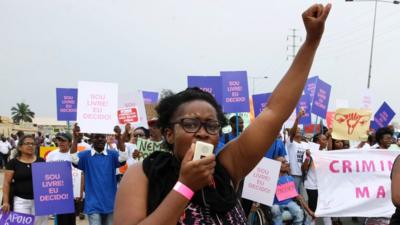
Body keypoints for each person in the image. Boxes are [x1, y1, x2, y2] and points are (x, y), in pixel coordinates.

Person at [113, 4, 331, 224]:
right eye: (190, 124)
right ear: (169, 133)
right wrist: (186, 187)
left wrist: (311, 41)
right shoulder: (142, 175)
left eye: (211, 125)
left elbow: (274, 113)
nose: (203, 133)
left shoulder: (227, 167)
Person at [70, 125, 128, 225]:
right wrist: (75, 138)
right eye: (97, 137)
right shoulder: (85, 155)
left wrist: (119, 137)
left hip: (110, 203)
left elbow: (123, 158)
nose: (100, 139)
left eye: (102, 137)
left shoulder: (112, 154)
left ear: (106, 139)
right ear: (92, 139)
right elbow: (74, 159)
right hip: (93, 204)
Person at [1, 135, 48, 225]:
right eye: (27, 143)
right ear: (20, 147)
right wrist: (6, 202)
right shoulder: (13, 163)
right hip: (20, 201)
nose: (30, 146)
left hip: (40, 202)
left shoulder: (41, 161)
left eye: (33, 144)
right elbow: (6, 183)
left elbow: (47, 181)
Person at [45, 132, 77, 225]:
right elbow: (46, 173)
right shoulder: (51, 155)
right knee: (59, 219)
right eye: (59, 140)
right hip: (57, 192)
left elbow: (80, 173)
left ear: (70, 142)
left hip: (72, 191)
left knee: (70, 219)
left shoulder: (75, 155)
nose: (60, 143)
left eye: (63, 140)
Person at [272, 156, 314, 225]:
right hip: (275, 205)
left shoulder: (289, 179)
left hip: (289, 204)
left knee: (299, 212)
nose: (287, 163)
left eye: (286, 161)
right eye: (283, 162)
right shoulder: (271, 180)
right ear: (276, 165)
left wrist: (309, 211)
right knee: (275, 209)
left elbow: (298, 196)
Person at [302, 133, 332, 225]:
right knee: (313, 210)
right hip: (312, 186)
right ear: (317, 142)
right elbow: (303, 169)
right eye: (324, 140)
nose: (326, 142)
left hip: (323, 186)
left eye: (326, 140)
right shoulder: (309, 152)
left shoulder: (325, 153)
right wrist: (308, 157)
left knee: (326, 209)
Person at [286, 109, 309, 194]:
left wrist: (307, 157)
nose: (298, 130)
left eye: (299, 129)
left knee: (303, 198)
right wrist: (298, 118)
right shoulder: (290, 142)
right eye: (296, 129)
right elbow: (292, 132)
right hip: (293, 174)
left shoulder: (305, 144)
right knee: (293, 196)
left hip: (304, 174)